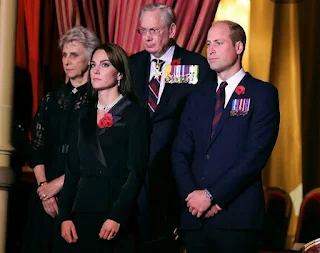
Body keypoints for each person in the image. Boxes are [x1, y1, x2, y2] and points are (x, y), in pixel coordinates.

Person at [172, 20, 280, 253]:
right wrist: (193, 199)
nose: (210, 50)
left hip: (236, 219)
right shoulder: (197, 97)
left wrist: (212, 197)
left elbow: (254, 156)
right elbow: (180, 152)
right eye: (208, 43)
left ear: (239, 47)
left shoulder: (262, 94)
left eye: (218, 43)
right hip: (195, 220)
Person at [130, 3, 214, 252]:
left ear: (172, 30)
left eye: (154, 30)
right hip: (134, 176)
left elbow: (203, 124)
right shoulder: (130, 65)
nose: (147, 37)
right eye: (143, 30)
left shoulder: (196, 66)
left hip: (175, 179)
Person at [58, 42, 150, 253]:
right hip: (80, 212)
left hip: (115, 211)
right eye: (93, 65)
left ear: (119, 74)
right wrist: (65, 217)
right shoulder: (83, 114)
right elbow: (72, 170)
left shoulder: (136, 114)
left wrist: (117, 216)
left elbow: (136, 172)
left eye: (105, 65)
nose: (96, 71)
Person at [23, 26, 100, 253]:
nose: (67, 60)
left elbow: (97, 155)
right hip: (44, 191)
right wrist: (44, 187)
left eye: (74, 54)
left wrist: (58, 185)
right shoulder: (51, 99)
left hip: (79, 191)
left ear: (89, 59)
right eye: (64, 55)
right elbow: (36, 148)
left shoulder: (100, 100)